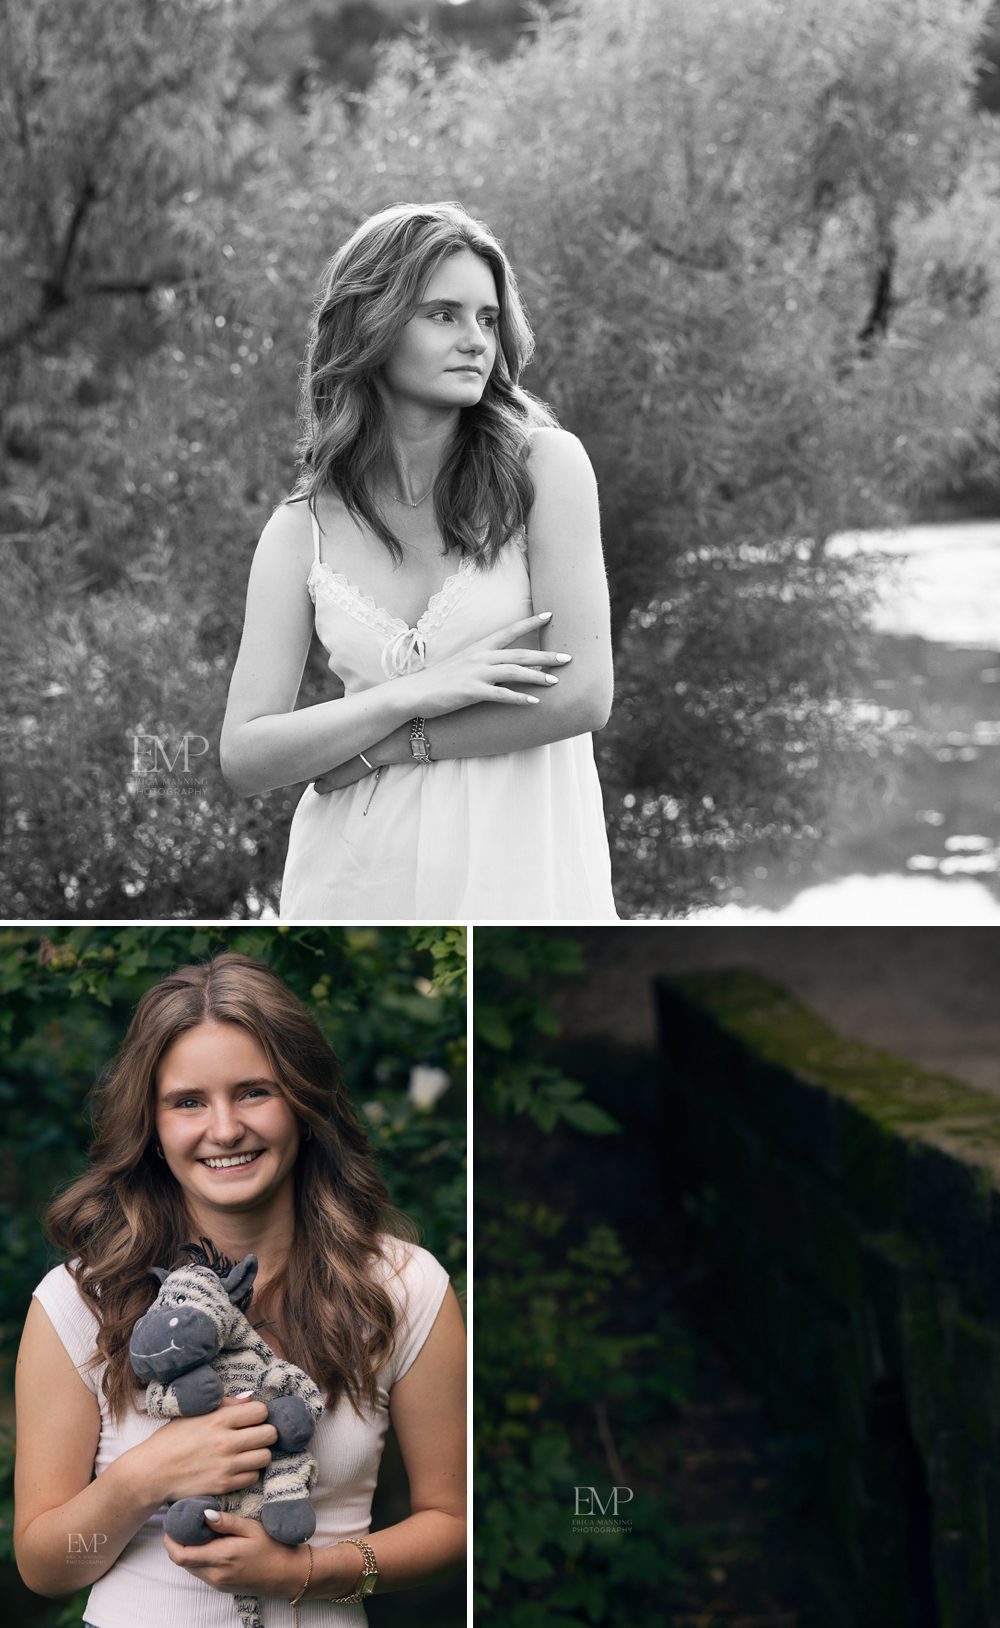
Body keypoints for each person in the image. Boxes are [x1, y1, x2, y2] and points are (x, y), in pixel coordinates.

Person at [13, 953, 467, 1623]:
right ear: (152, 1127)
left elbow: (451, 1522)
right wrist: (148, 1475)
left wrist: (307, 1571)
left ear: (303, 1102)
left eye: (254, 1091)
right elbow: (46, 1567)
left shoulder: (404, 1287)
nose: (225, 1129)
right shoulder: (80, 1300)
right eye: (188, 1102)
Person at [220, 201, 617, 919]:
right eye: (444, 315)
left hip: (522, 867)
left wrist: (397, 744)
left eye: (488, 319)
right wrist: (409, 694)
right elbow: (245, 756)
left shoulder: (546, 469)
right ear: (372, 323)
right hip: (355, 875)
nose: (476, 341)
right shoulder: (298, 530)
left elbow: (584, 696)